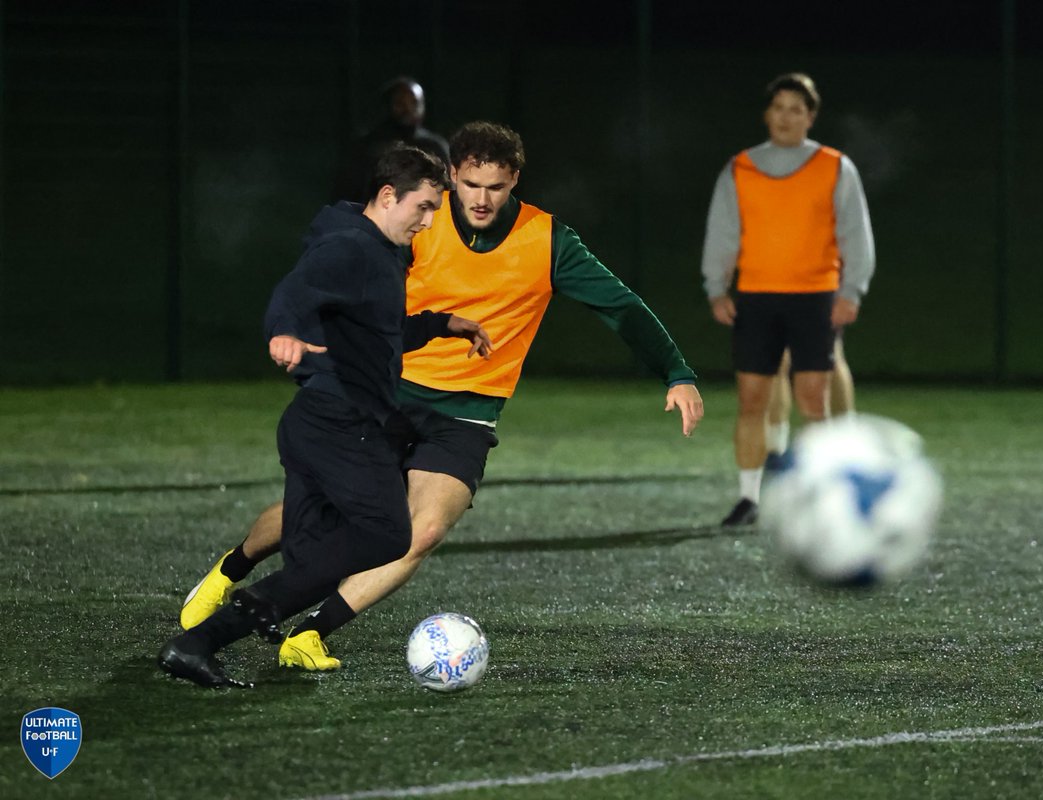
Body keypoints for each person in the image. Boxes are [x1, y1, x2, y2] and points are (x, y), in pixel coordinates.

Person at [178, 121, 705, 672]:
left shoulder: (549, 241)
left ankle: (311, 631)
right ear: (452, 174)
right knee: (326, 518)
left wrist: (676, 371)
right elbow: (337, 260)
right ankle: (231, 569)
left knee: (422, 530)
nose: (481, 199)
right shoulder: (418, 219)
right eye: (471, 184)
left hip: (467, 412)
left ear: (514, 181)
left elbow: (620, 306)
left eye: (496, 187)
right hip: (386, 394)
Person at [159, 145, 492, 688]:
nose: (430, 222)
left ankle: (196, 644)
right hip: (342, 423)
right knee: (387, 535)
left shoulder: (380, 252)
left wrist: (439, 324)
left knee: (312, 560)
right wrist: (283, 330)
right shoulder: (354, 247)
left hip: (313, 422)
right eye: (425, 207)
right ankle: (246, 611)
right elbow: (295, 290)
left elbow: (378, 333)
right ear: (388, 196)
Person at [701, 72, 876, 527]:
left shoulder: (835, 167)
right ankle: (748, 498)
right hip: (756, 297)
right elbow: (723, 234)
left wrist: (850, 291)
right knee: (751, 399)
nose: (786, 117)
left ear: (811, 117)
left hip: (815, 297)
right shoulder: (740, 168)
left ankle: (826, 495)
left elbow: (856, 235)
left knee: (813, 401)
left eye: (796, 109)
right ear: (766, 114)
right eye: (778, 108)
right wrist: (716, 288)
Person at [330, 75, 451, 203]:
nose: (408, 109)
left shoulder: (434, 146)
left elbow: (449, 192)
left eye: (414, 103)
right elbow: (346, 193)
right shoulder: (366, 147)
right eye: (400, 103)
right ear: (387, 106)